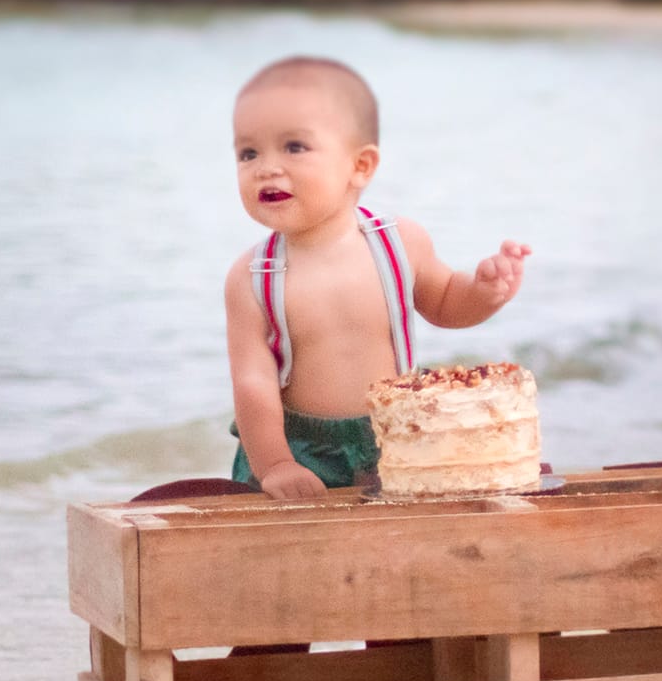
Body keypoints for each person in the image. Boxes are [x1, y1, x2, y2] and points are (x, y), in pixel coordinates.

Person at [225, 55, 531, 499]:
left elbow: (446, 304)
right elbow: (253, 383)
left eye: (294, 147)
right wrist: (275, 465)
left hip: (400, 434)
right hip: (299, 449)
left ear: (361, 166)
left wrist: (483, 292)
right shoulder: (251, 278)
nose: (266, 167)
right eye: (248, 153)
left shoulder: (399, 243)